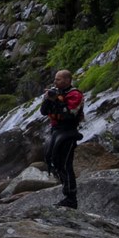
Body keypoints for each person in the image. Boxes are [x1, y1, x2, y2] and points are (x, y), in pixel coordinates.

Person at [40, 69, 84, 209]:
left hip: (68, 131)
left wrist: (58, 100)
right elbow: (43, 111)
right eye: (55, 79)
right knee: (53, 160)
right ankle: (66, 193)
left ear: (67, 80)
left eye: (58, 79)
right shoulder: (54, 93)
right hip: (56, 131)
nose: (55, 81)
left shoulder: (75, 94)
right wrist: (48, 99)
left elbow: (69, 114)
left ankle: (71, 198)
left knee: (65, 164)